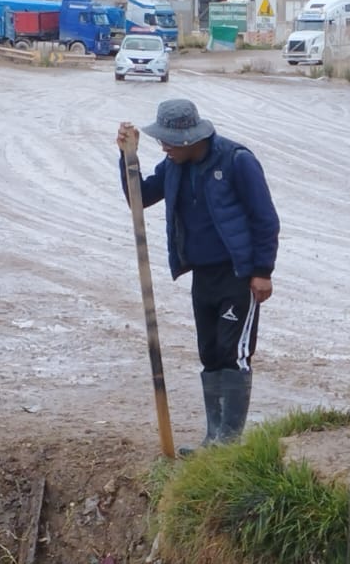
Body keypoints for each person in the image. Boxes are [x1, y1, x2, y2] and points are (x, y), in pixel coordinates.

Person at [116, 98, 279, 449]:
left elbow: (265, 219)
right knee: (209, 351)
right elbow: (139, 197)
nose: (164, 146)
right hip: (202, 275)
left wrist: (262, 272)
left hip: (238, 274)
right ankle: (213, 438)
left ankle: (229, 442)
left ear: (191, 139)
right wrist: (127, 157)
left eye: (169, 141)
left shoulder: (237, 161)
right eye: (161, 141)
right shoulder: (173, 165)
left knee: (232, 351)